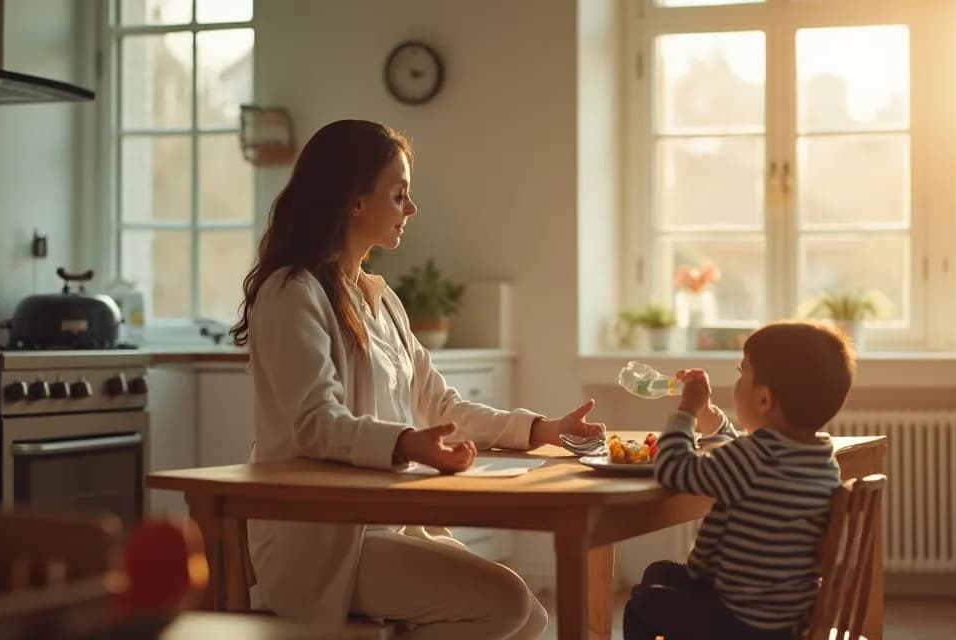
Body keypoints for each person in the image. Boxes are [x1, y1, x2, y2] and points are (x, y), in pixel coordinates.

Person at [229, 119, 604, 639]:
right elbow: (316, 424)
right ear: (355, 201)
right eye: (399, 194)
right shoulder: (292, 293)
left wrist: (542, 429)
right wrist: (407, 443)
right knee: (506, 605)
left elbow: (443, 408)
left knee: (529, 617)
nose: (411, 209)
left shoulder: (380, 299)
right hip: (323, 541)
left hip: (386, 523)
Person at [623, 320, 854, 640]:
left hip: (740, 619)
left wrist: (687, 411)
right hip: (780, 618)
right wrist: (706, 413)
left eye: (742, 372)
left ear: (764, 400)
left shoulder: (754, 457)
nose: (737, 381)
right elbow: (735, 452)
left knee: (641, 606)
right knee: (658, 573)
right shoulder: (819, 460)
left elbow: (673, 468)